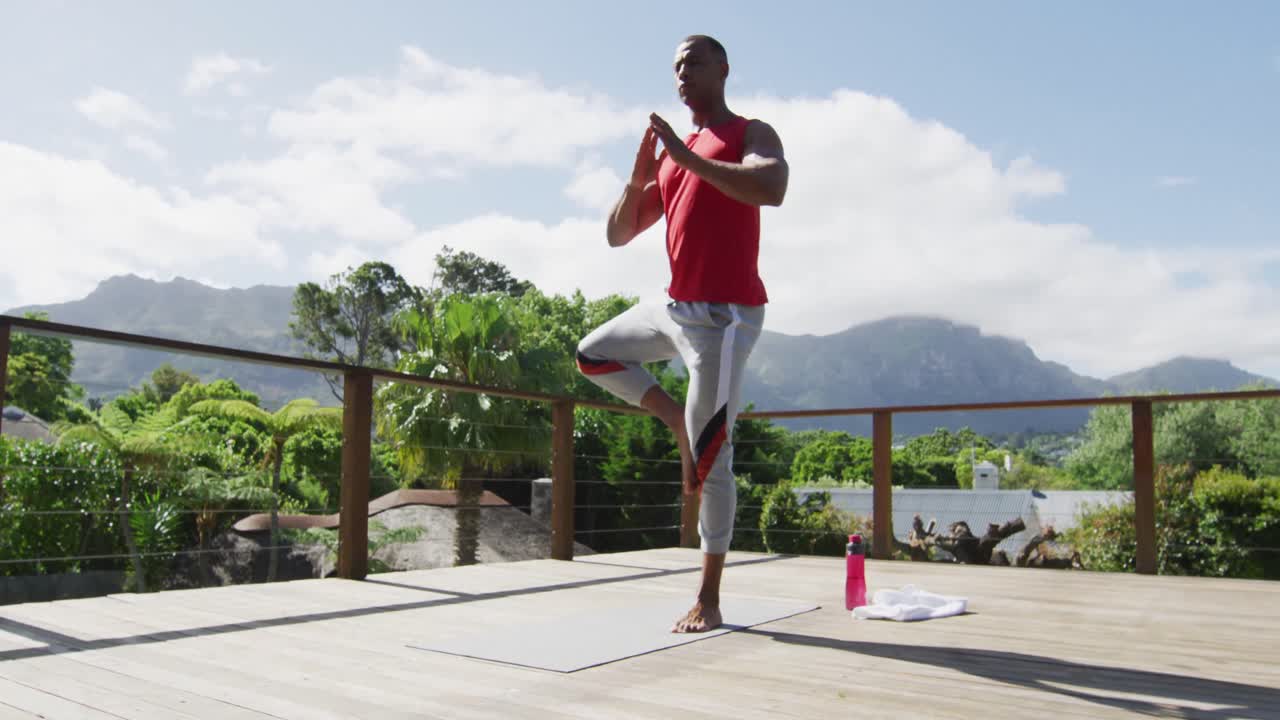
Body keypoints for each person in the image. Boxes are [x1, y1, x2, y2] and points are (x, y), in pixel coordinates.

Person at [576, 34, 789, 633]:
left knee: (712, 459)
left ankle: (709, 595)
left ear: (723, 69)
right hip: (674, 309)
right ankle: (676, 417)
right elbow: (619, 234)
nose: (682, 74)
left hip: (725, 320)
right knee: (592, 354)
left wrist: (686, 156)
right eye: (675, 66)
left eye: (693, 62)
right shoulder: (671, 156)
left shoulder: (751, 132)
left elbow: (771, 188)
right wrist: (640, 173)